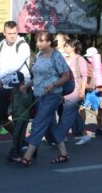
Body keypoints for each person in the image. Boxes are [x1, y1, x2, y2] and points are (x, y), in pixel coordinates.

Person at [17, 31, 70, 166]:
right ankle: (64, 154)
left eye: (41, 41)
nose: (38, 43)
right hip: (38, 95)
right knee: (51, 124)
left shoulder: (56, 56)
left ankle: (27, 156)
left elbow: (66, 76)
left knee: (38, 122)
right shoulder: (40, 56)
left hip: (52, 95)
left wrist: (53, 85)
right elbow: (37, 77)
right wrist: (27, 85)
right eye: (37, 41)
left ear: (49, 42)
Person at [0, 21, 31, 145]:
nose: (12, 36)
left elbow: (14, 67)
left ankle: (20, 145)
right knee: (0, 116)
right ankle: (17, 141)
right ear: (4, 33)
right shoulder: (1, 45)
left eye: (15, 33)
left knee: (19, 118)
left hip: (21, 87)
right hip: (6, 85)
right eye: (9, 33)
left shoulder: (23, 45)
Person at [59, 39, 88, 145]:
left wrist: (82, 91)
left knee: (66, 115)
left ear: (73, 47)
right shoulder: (64, 59)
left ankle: (60, 138)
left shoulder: (79, 59)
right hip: (66, 90)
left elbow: (84, 76)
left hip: (76, 90)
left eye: (67, 46)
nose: (65, 48)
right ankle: (85, 135)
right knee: (74, 114)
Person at [7, 71, 33, 162]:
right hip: (15, 116)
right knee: (17, 135)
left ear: (22, 82)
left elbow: (28, 104)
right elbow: (12, 102)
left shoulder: (28, 91)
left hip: (23, 117)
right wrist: (10, 109)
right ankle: (19, 151)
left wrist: (24, 93)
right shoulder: (14, 91)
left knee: (18, 135)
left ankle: (16, 152)